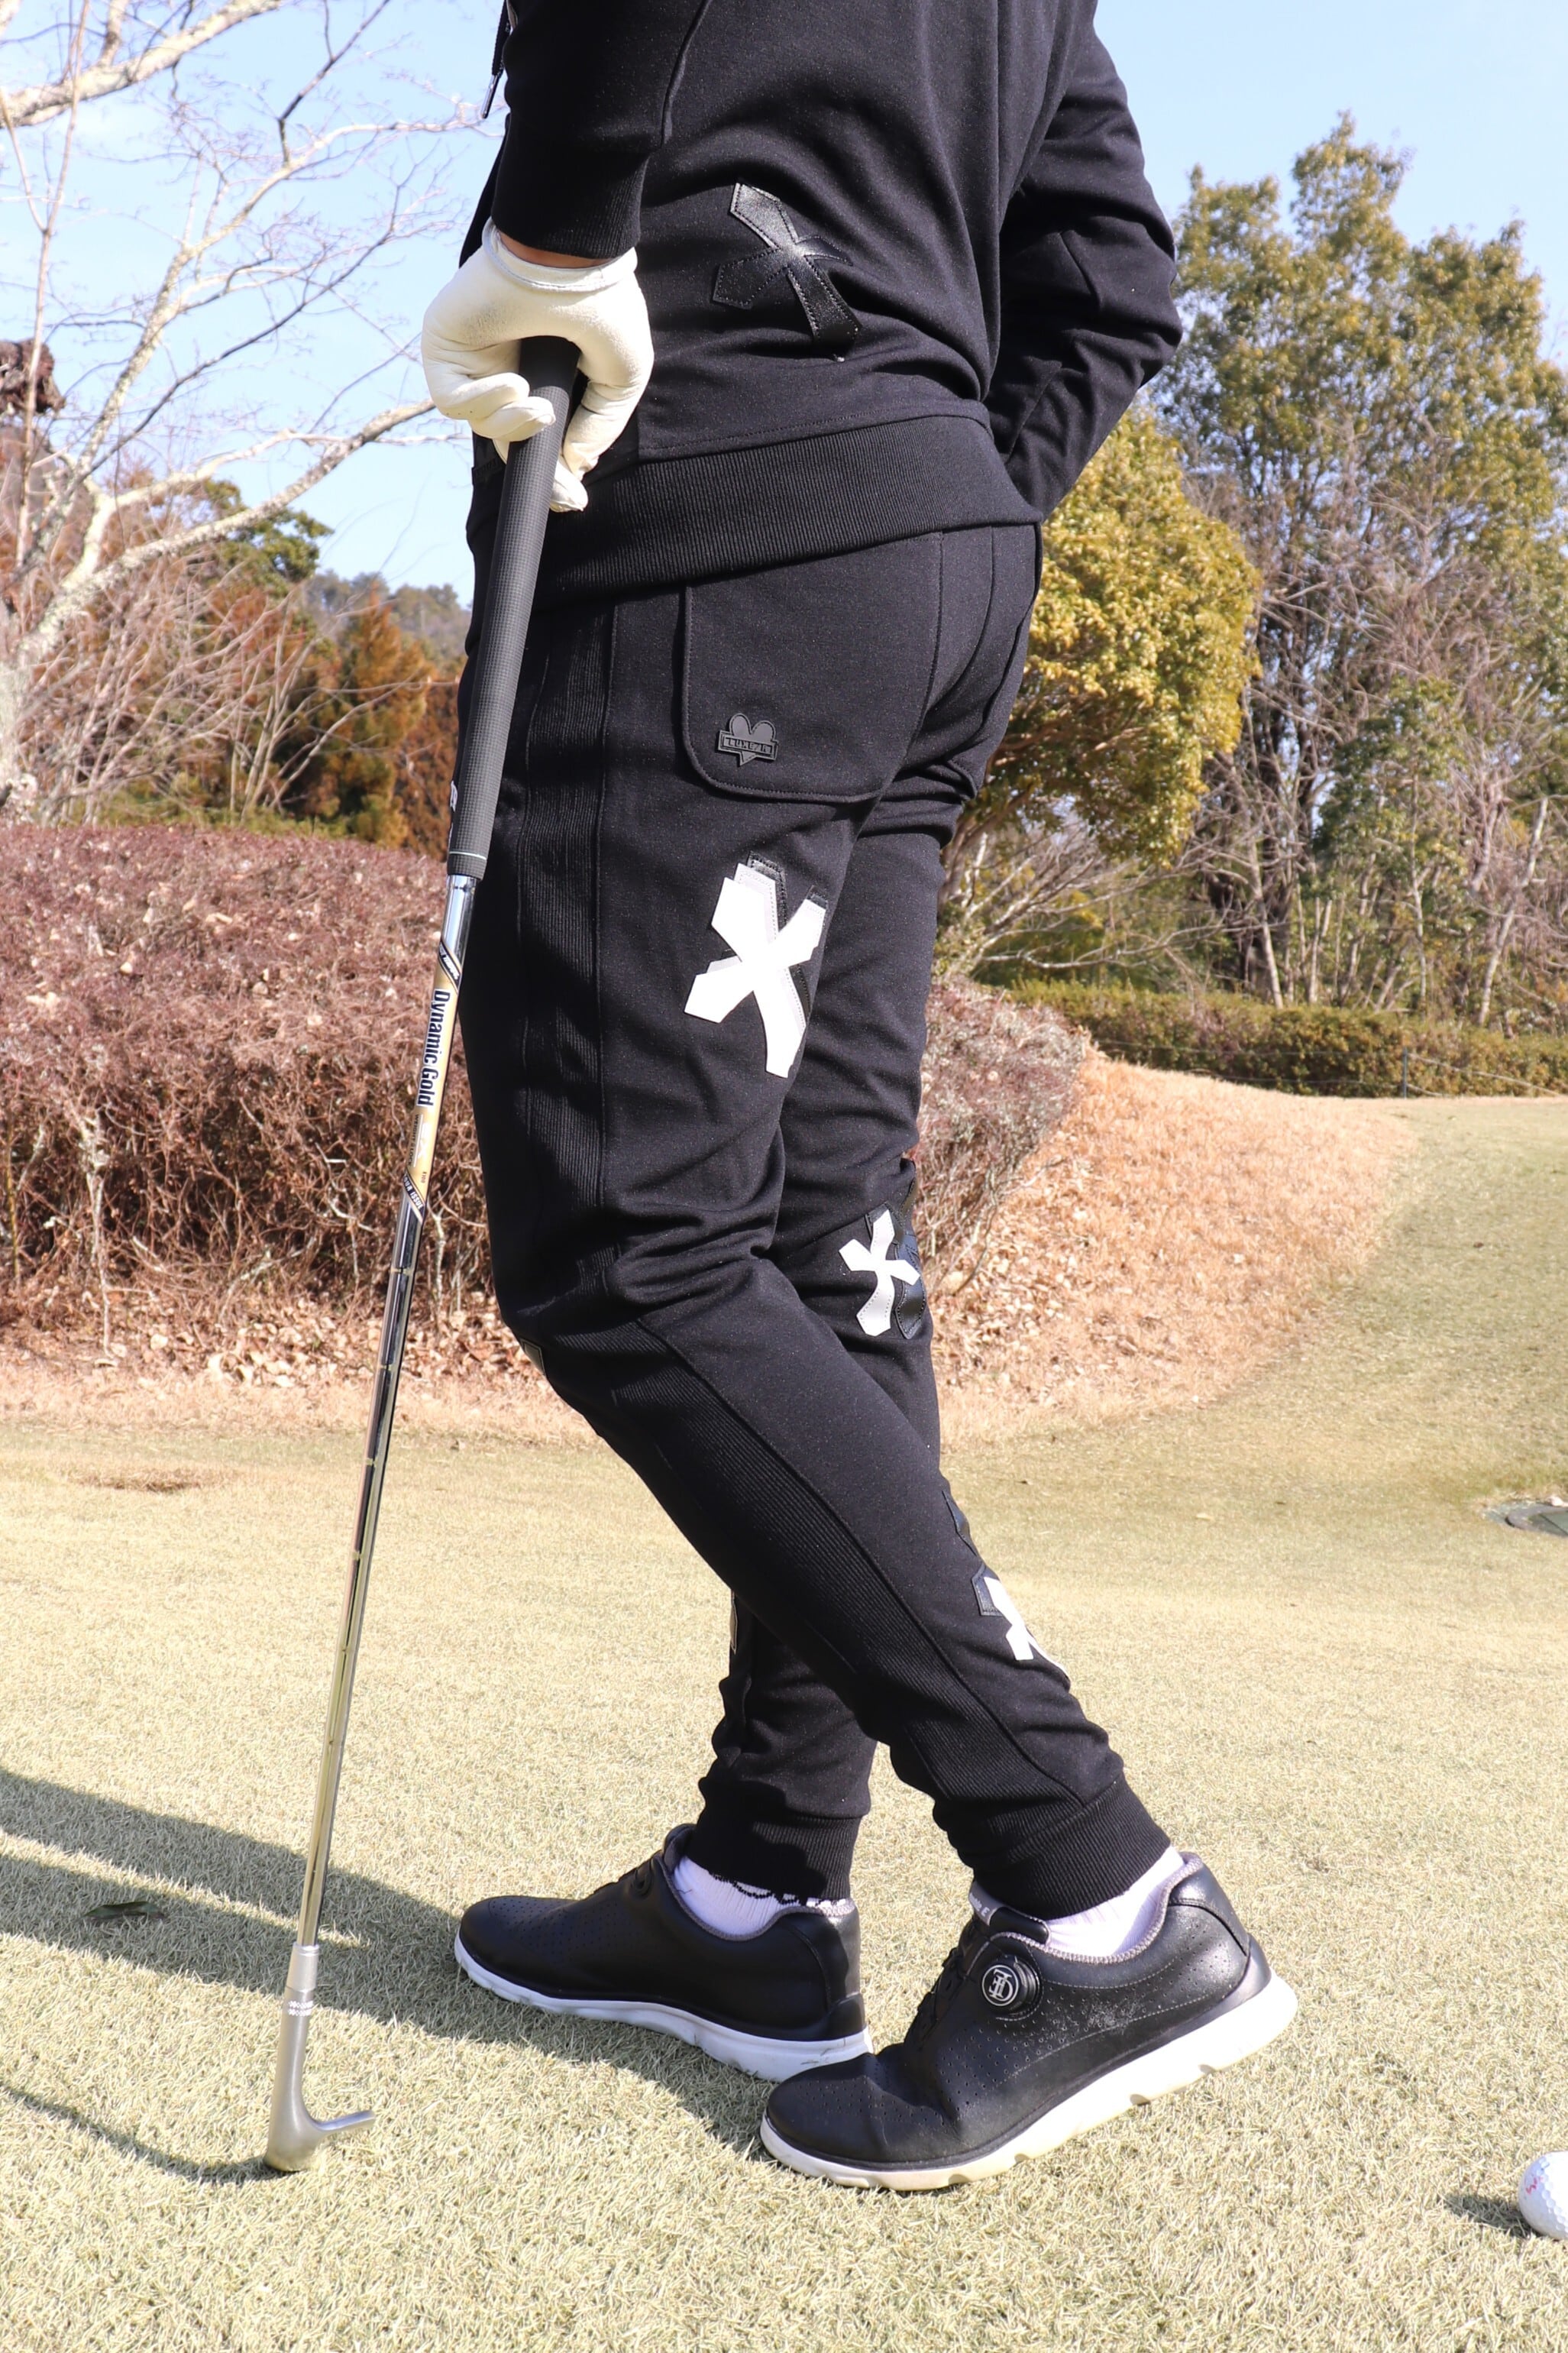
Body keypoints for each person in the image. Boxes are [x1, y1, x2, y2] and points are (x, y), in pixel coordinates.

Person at [419, 0, 1295, 2190]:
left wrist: (557, 231)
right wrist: (937, 491)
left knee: (633, 1250)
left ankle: (1098, 1895)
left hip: (717, 537)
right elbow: (1113, 272)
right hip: (921, 576)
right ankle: (761, 1890)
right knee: (823, 1253)